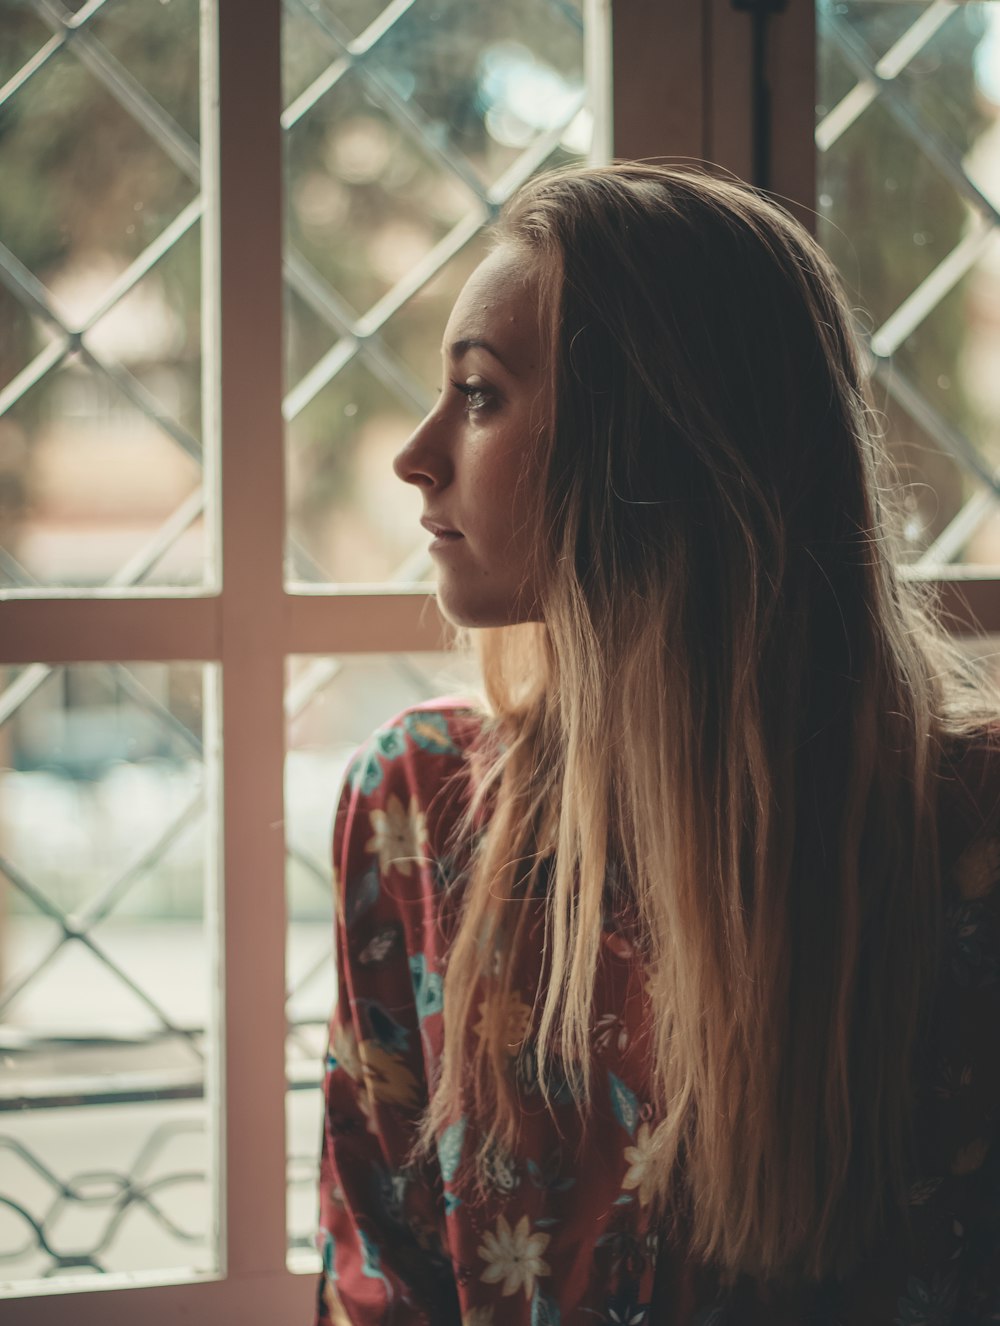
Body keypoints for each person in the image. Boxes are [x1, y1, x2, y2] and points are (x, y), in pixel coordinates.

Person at [312, 162, 1000, 1325]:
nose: (415, 454)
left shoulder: (969, 830)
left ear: (653, 444)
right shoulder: (418, 808)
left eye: (479, 396)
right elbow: (378, 1283)